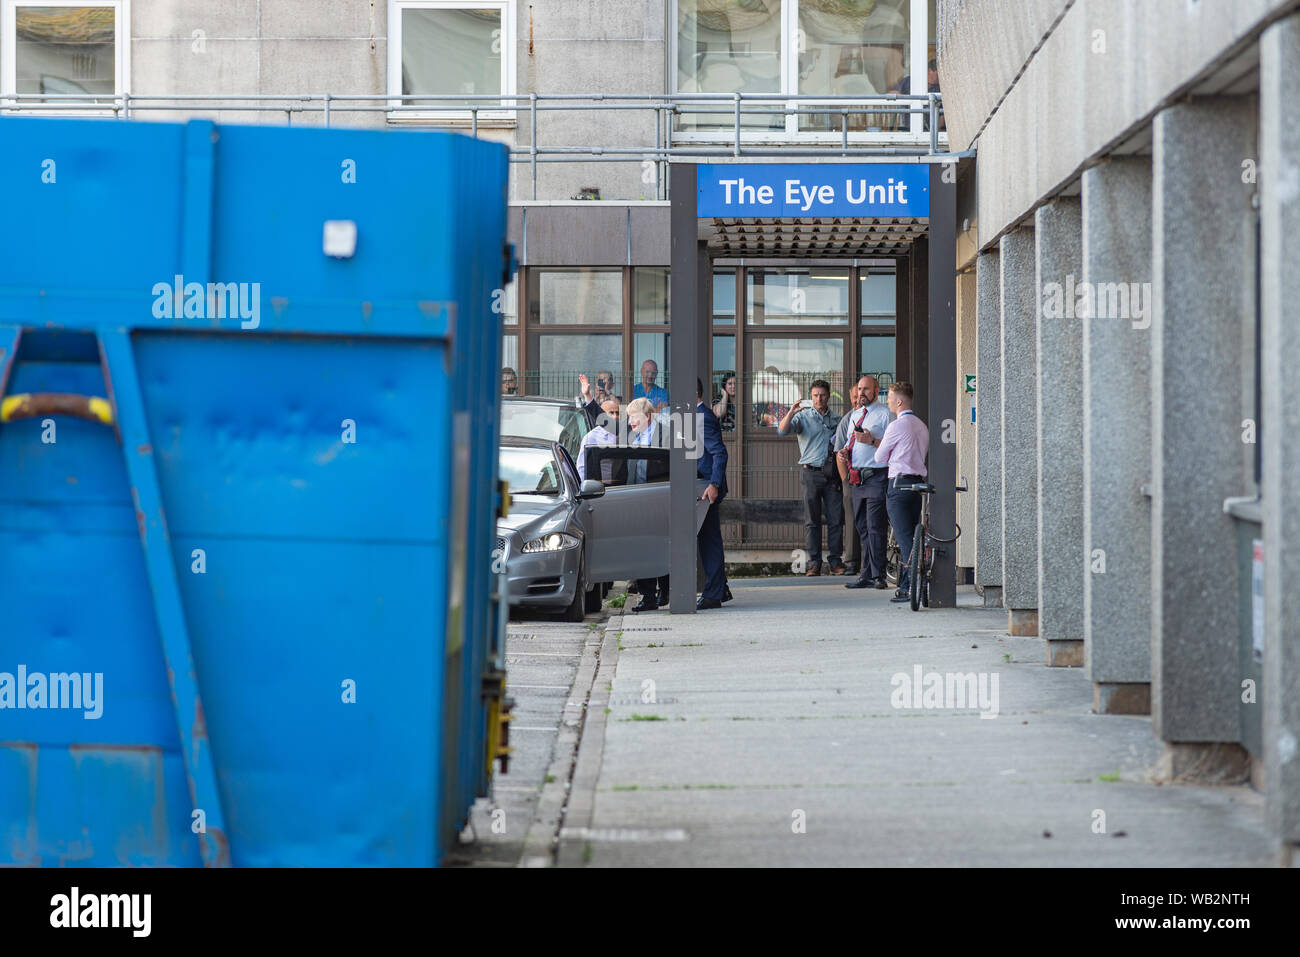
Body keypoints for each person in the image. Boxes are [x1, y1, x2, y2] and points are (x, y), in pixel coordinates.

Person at [777, 379, 845, 576]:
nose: (819, 399)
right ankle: (814, 563)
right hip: (810, 473)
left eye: (822, 395)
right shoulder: (803, 417)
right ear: (811, 396)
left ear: (829, 396)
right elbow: (781, 431)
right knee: (811, 521)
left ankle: (835, 562)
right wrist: (791, 412)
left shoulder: (837, 420)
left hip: (831, 476)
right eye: (815, 395)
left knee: (835, 520)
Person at [872, 382, 929, 603]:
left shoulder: (896, 426)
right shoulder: (922, 426)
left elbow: (879, 458)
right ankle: (921, 576)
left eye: (889, 399)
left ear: (899, 401)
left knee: (905, 539)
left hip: (898, 484)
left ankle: (907, 586)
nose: (888, 402)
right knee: (916, 534)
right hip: (918, 484)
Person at [838, 376, 895, 590]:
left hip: (876, 476)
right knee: (862, 527)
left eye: (866, 389)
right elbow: (849, 443)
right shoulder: (856, 415)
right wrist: (845, 452)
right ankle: (867, 573)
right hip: (857, 479)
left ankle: (878, 575)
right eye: (859, 389)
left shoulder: (885, 415)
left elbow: (893, 448)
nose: (862, 393)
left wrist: (872, 441)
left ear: (876, 390)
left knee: (875, 527)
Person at [627, 397, 671, 613]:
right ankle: (648, 596)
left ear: (647, 416)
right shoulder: (633, 439)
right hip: (638, 502)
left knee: (662, 546)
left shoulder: (666, 436)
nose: (630, 422)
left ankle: (666, 589)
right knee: (643, 547)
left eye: (633, 417)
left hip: (660, 501)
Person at [695, 379, 731, 609]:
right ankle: (720, 588)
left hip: (707, 489)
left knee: (709, 541)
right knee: (707, 539)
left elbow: (719, 452)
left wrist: (714, 484)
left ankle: (714, 593)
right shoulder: (698, 416)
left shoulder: (702, 418)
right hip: (703, 486)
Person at [576, 398, 621, 482]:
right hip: (599, 488)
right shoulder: (591, 437)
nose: (615, 416)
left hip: (622, 487)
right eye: (611, 413)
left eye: (617, 413)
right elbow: (582, 467)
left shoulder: (623, 434)